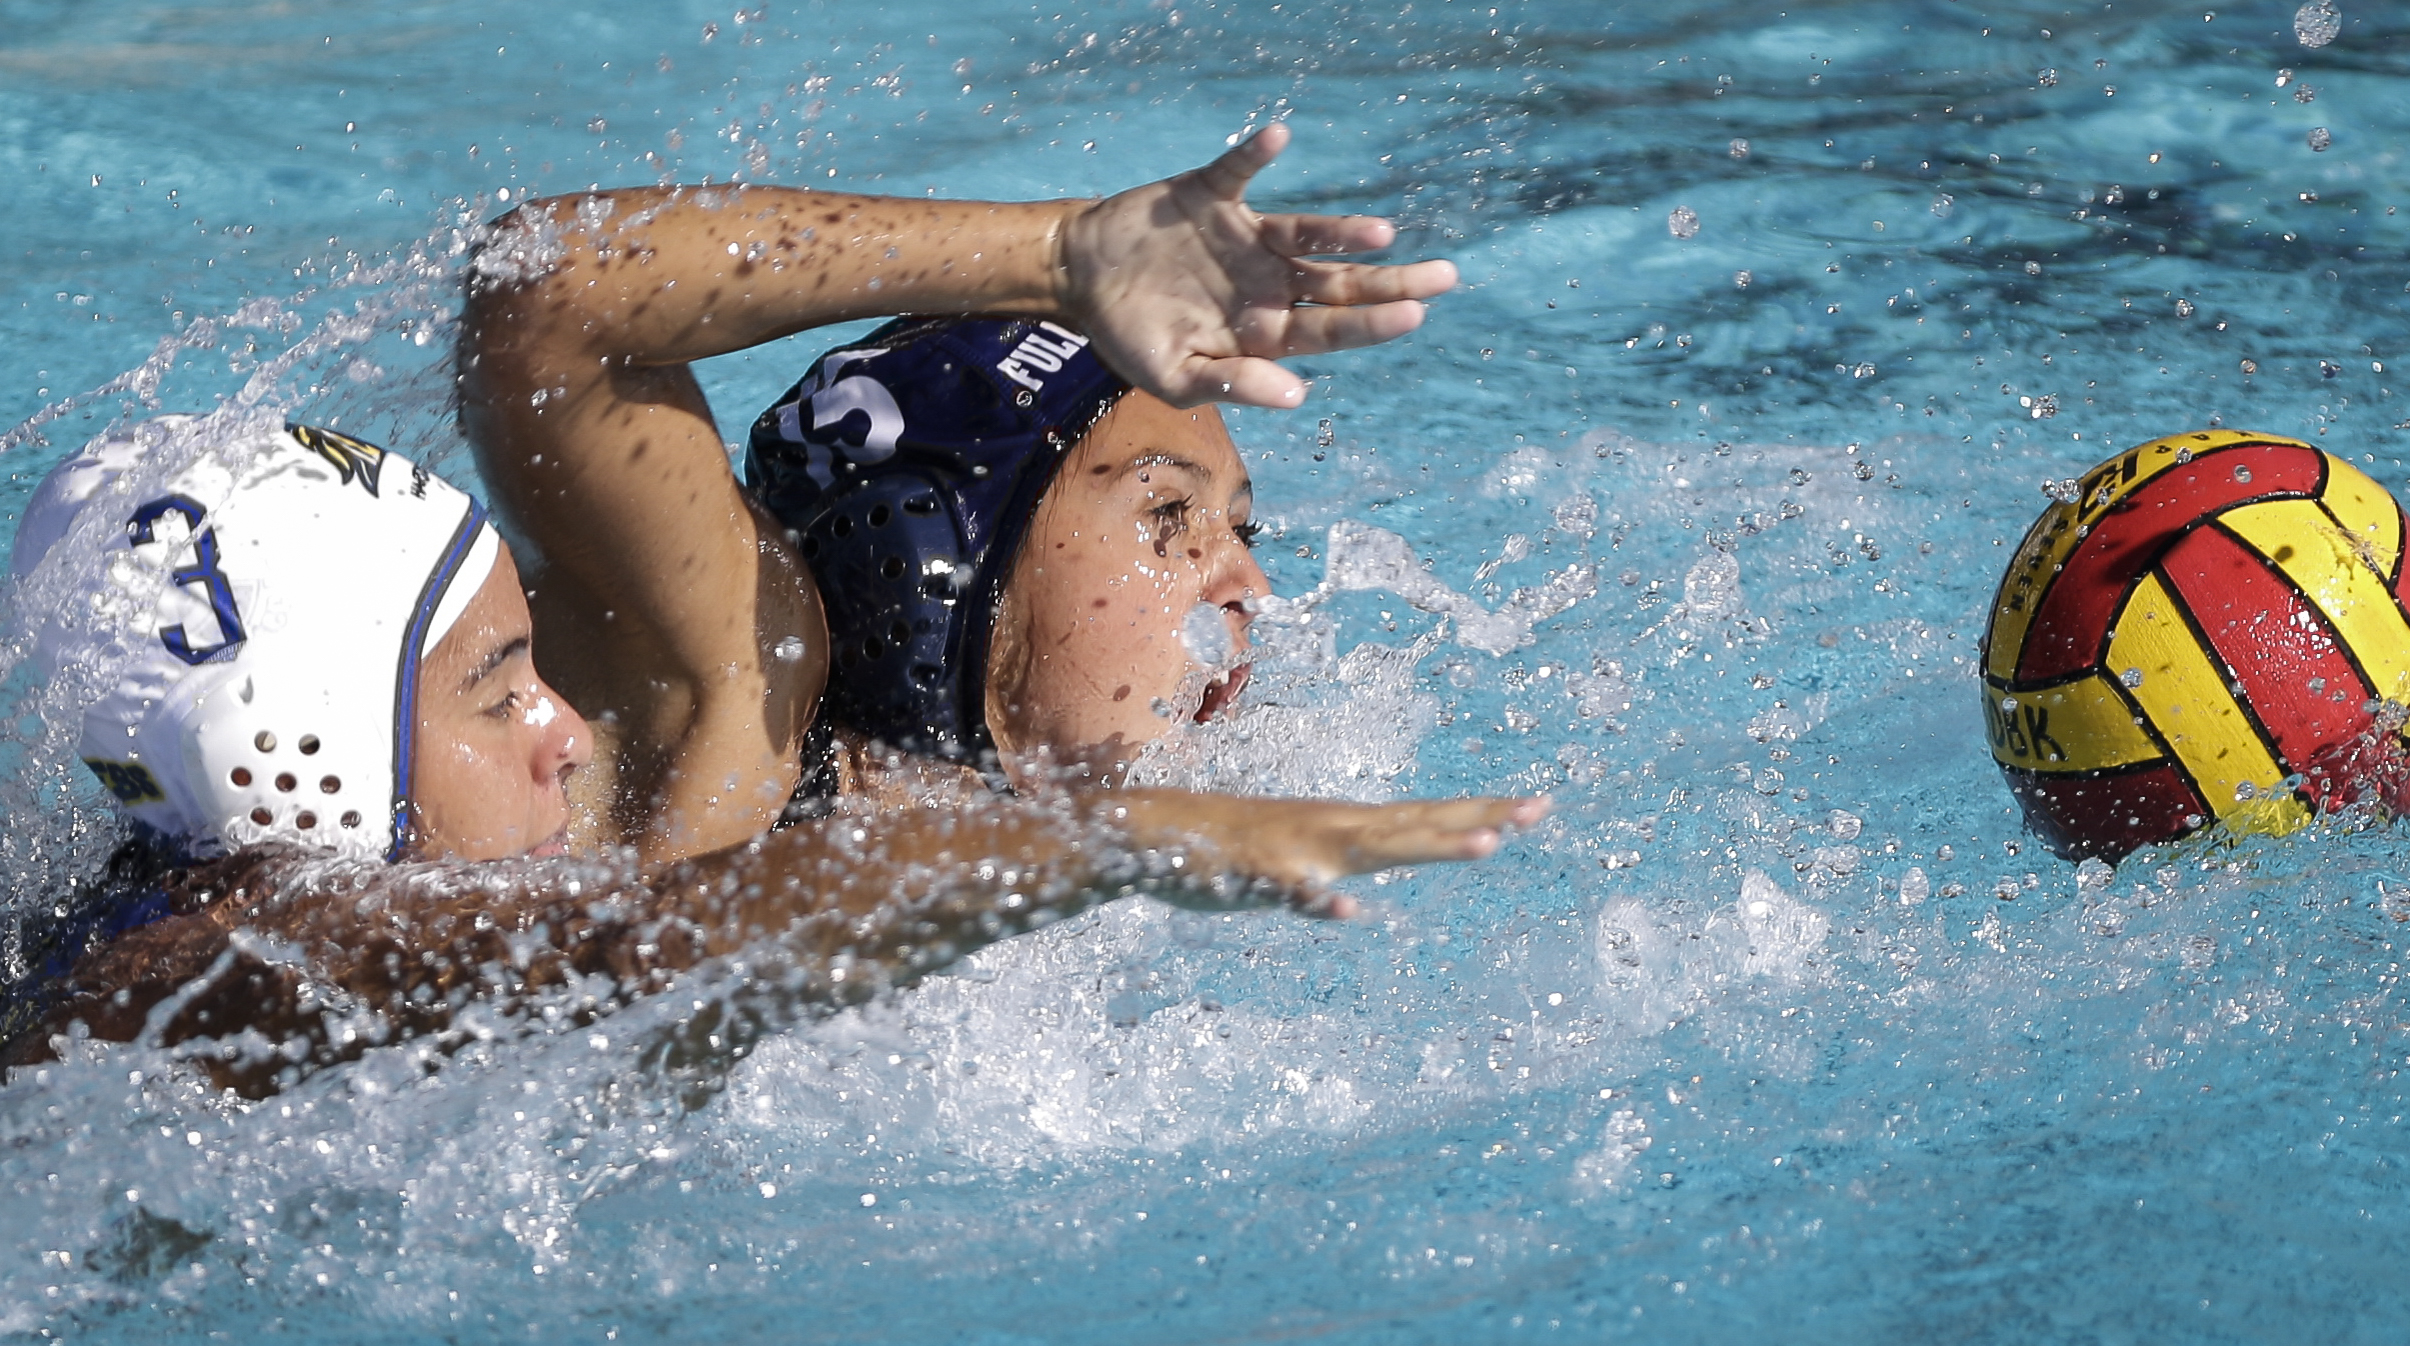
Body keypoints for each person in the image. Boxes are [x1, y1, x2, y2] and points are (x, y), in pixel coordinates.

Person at [1, 128, 1541, 1093]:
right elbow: (543, 295)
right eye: (1165, 518)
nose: (1240, 584)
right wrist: (1052, 256)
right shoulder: (228, 965)